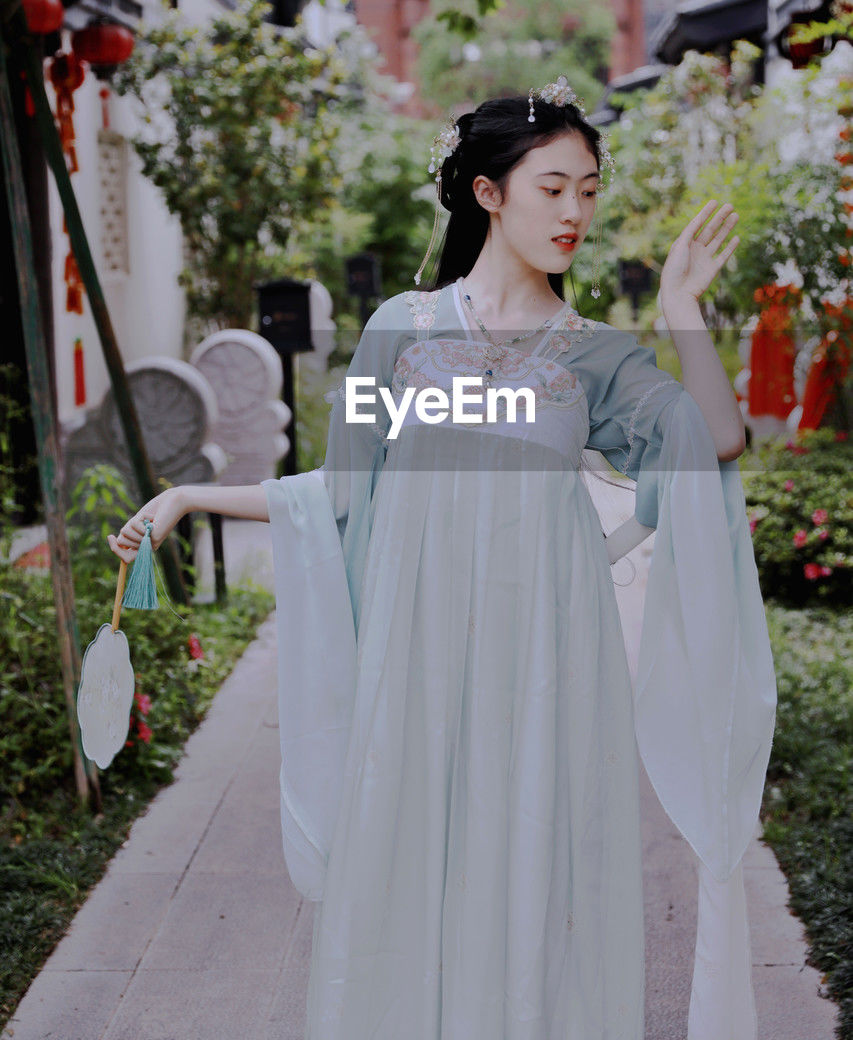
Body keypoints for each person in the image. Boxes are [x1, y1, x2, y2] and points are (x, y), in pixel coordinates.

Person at [108, 79, 777, 1040]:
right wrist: (184, 498)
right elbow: (338, 494)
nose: (575, 212)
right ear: (486, 192)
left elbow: (712, 436)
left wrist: (678, 306)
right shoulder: (399, 333)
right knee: (415, 856)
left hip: (551, 658)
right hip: (418, 655)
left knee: (535, 870)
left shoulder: (592, 355)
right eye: (552, 188)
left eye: (588, 189)